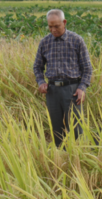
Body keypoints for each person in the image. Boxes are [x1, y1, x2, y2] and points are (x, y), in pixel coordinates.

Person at [33, 9, 92, 147]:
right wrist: (41, 82)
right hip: (52, 91)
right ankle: (60, 157)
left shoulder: (77, 40)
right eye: (50, 26)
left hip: (72, 90)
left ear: (64, 23)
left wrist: (82, 88)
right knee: (56, 128)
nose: (53, 29)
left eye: (56, 26)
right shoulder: (45, 42)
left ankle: (78, 156)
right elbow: (37, 66)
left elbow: (87, 68)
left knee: (76, 127)